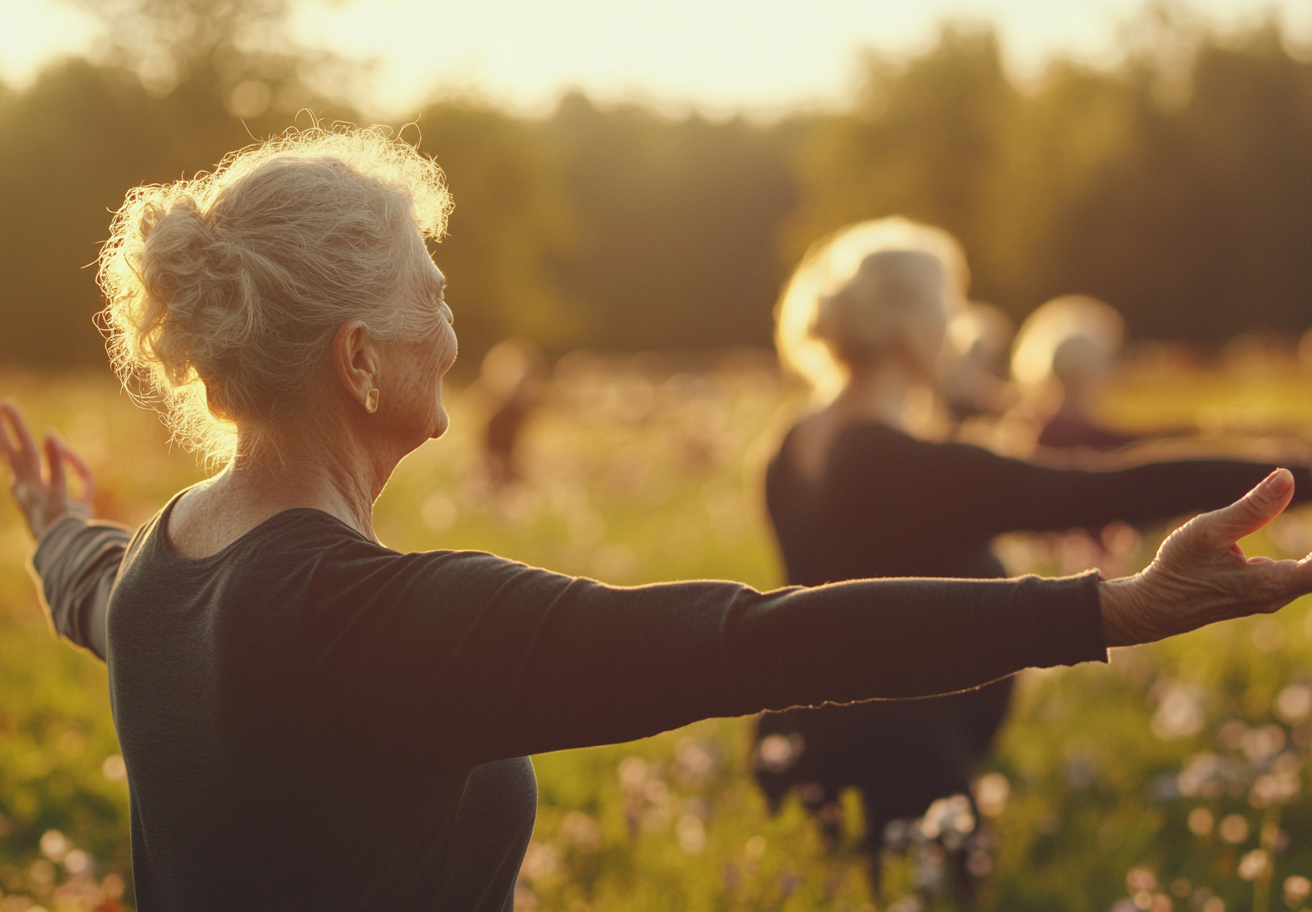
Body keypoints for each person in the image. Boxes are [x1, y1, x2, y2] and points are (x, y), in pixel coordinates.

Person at [3, 130, 1311, 912]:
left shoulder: (160, 567)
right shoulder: (388, 622)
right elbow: (752, 641)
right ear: (357, 360)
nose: (453, 331)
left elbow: (92, 590)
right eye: (434, 297)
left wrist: (56, 529)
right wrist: (1116, 607)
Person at [756, 216, 1312, 898]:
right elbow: (1102, 488)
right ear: (914, 332)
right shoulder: (899, 465)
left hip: (800, 745)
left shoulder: (789, 446)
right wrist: (1299, 478)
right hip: (907, 773)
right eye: (951, 307)